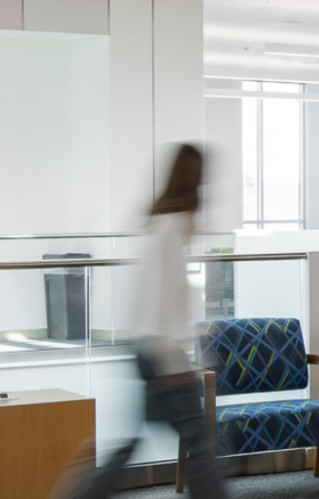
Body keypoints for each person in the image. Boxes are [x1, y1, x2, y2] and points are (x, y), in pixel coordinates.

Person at [75, 144, 228, 499]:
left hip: (146, 347)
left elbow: (154, 297)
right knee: (200, 447)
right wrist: (177, 361)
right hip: (162, 353)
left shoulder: (159, 223)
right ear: (194, 180)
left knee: (135, 439)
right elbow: (166, 298)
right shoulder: (172, 229)